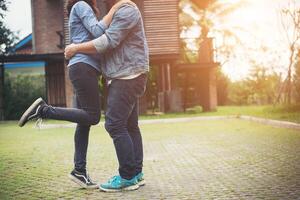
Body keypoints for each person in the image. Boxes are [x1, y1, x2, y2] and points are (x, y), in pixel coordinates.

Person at [18, 0, 133, 189]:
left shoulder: (81, 8)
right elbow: (97, 32)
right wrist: (113, 11)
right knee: (93, 116)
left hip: (82, 68)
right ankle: (44, 110)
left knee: (84, 122)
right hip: (83, 68)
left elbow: (95, 37)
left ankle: (79, 171)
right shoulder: (81, 5)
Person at [64, 0, 149, 192]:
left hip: (127, 75)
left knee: (114, 124)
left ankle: (127, 177)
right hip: (126, 74)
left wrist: (76, 48)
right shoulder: (119, 11)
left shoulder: (126, 10)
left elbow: (107, 41)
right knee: (129, 125)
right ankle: (136, 173)